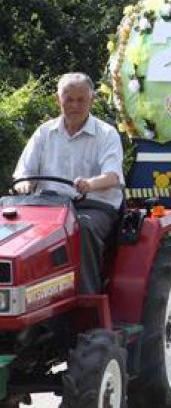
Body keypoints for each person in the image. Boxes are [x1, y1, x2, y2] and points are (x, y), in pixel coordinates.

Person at [13, 73, 125, 295]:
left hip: (92, 206)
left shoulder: (106, 134)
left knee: (80, 228)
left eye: (81, 100)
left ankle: (87, 298)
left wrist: (90, 184)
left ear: (92, 100)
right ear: (58, 99)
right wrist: (23, 186)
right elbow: (23, 174)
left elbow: (113, 176)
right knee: (13, 230)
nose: (75, 105)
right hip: (47, 207)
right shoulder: (44, 132)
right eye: (69, 99)